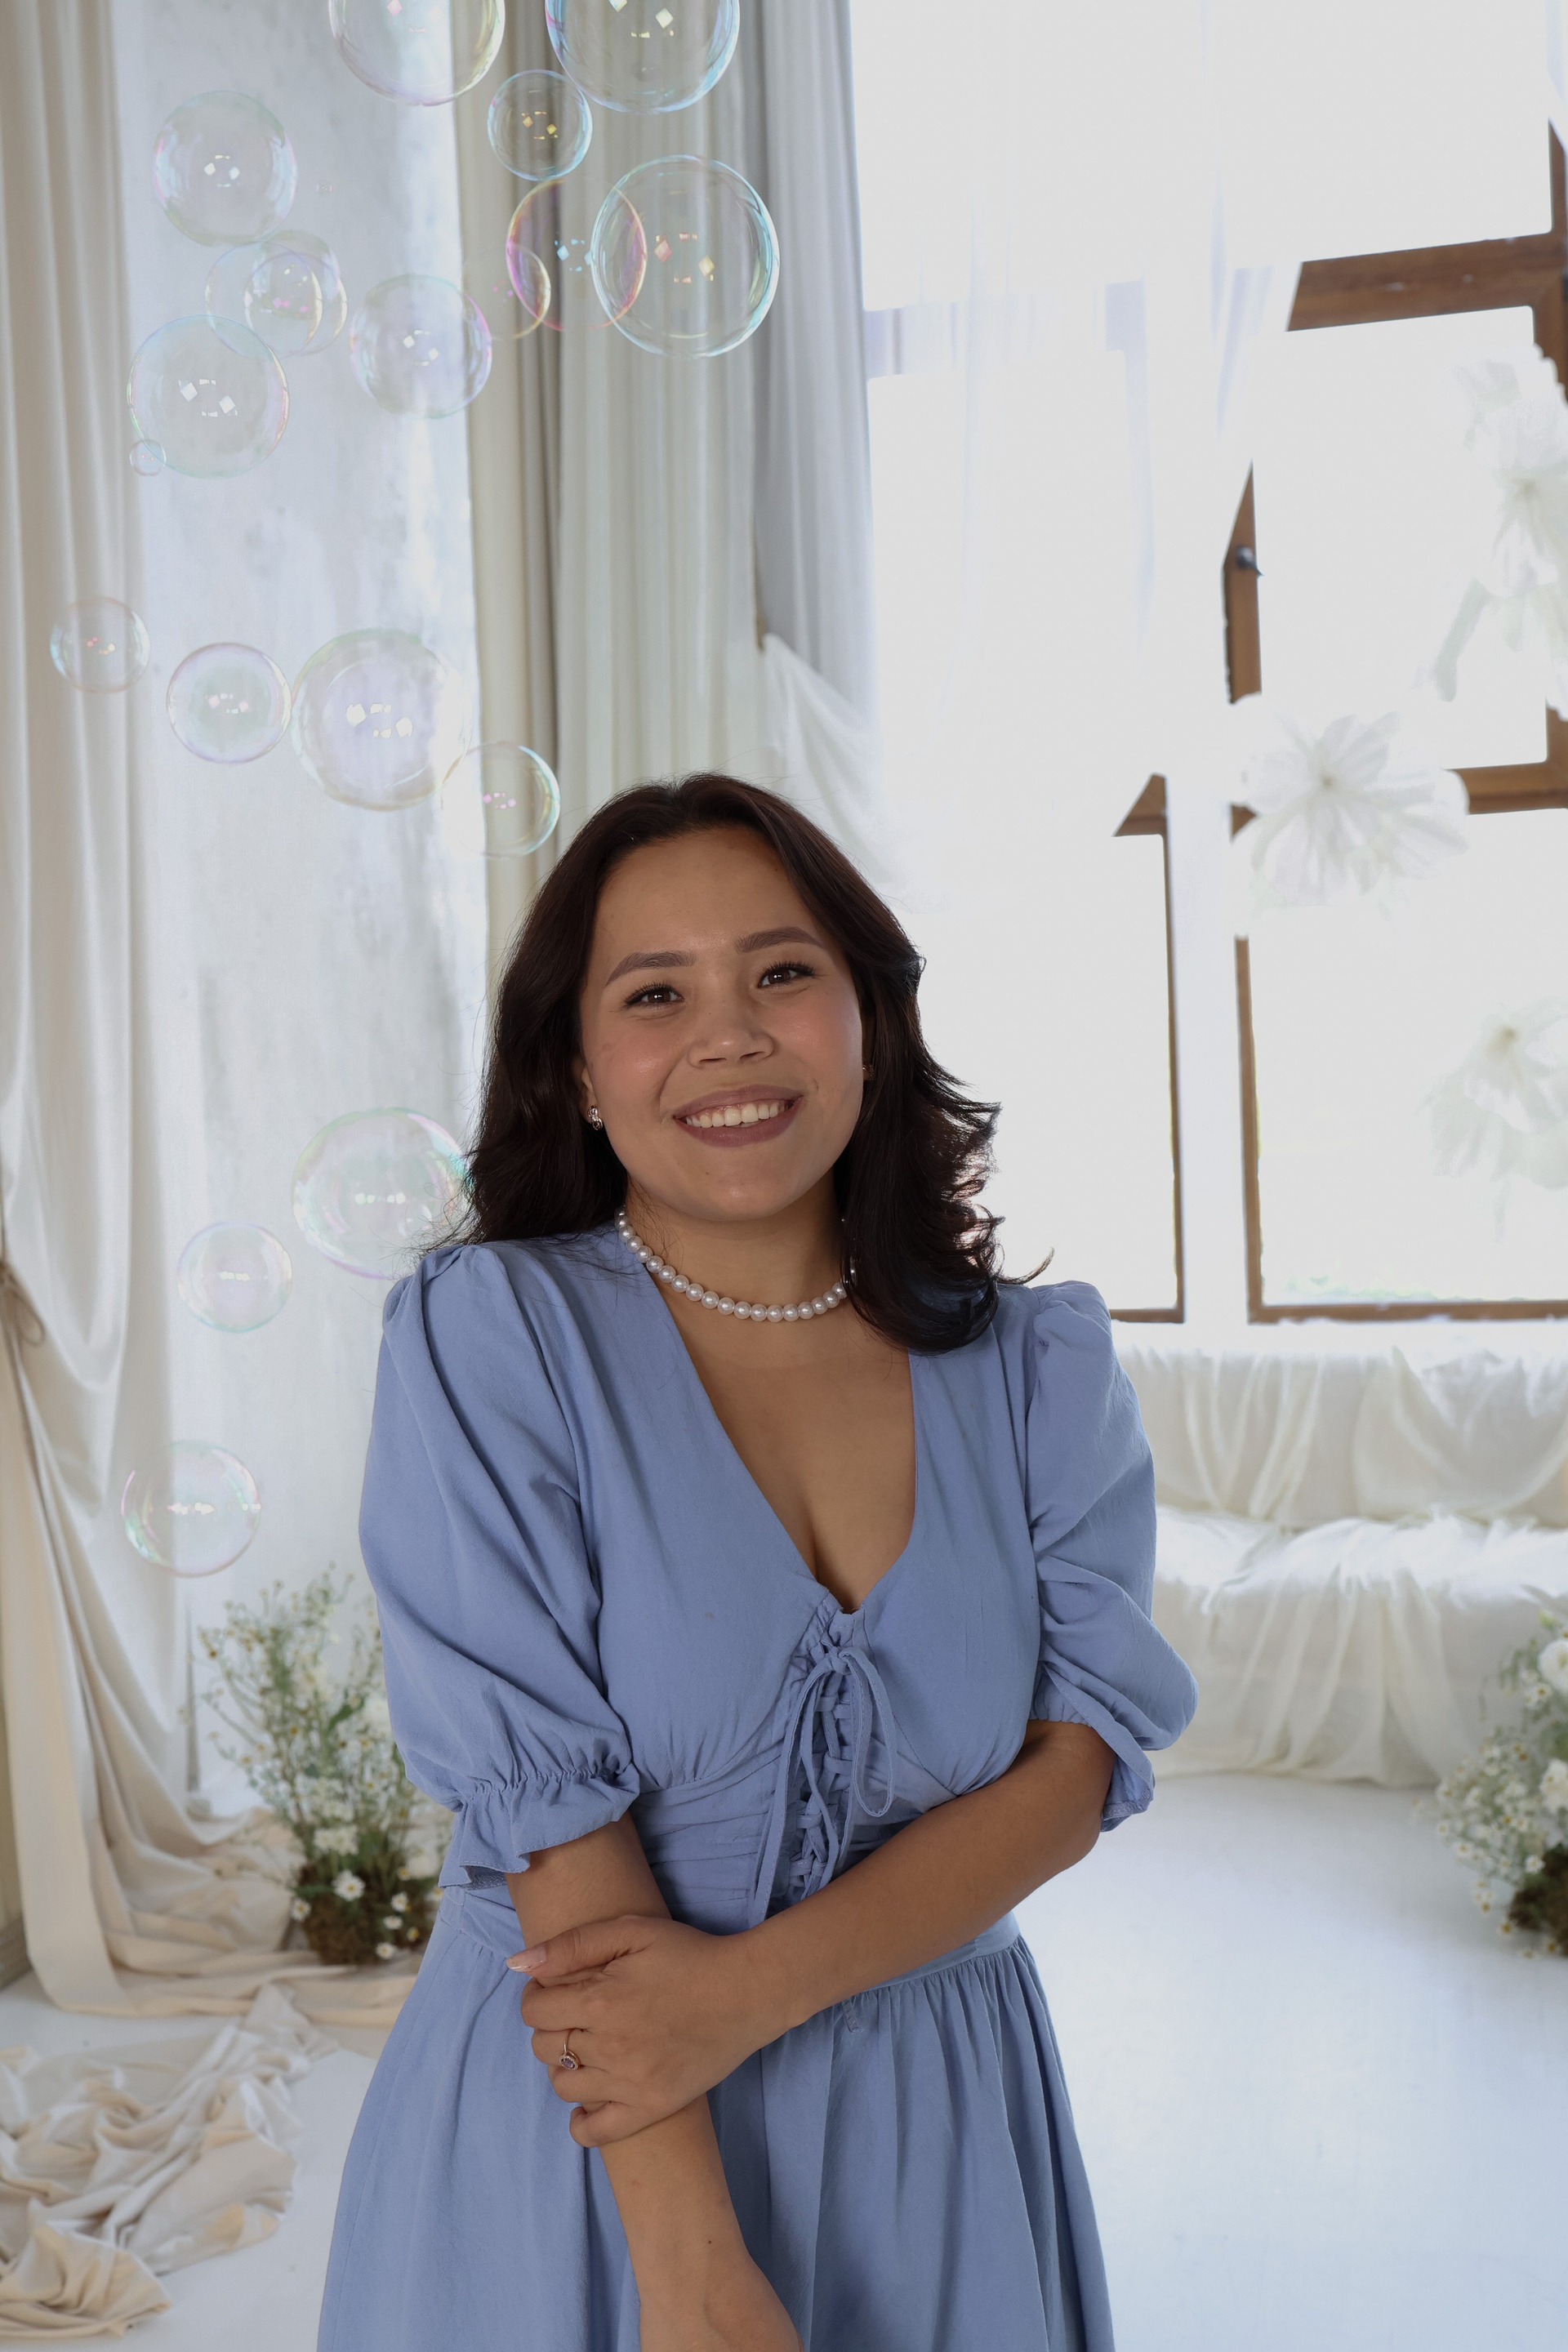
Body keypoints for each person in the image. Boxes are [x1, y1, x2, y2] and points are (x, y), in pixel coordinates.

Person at [318, 774, 1198, 2352]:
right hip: (592, 2142)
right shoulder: (491, 1335)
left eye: (782, 972)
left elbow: (1074, 1771)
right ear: (578, 1071)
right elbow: (551, 1817)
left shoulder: (1038, 1364)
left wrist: (743, 1993)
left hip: (939, 2125)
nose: (728, 1036)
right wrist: (694, 2273)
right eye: (655, 994)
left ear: (871, 1021)